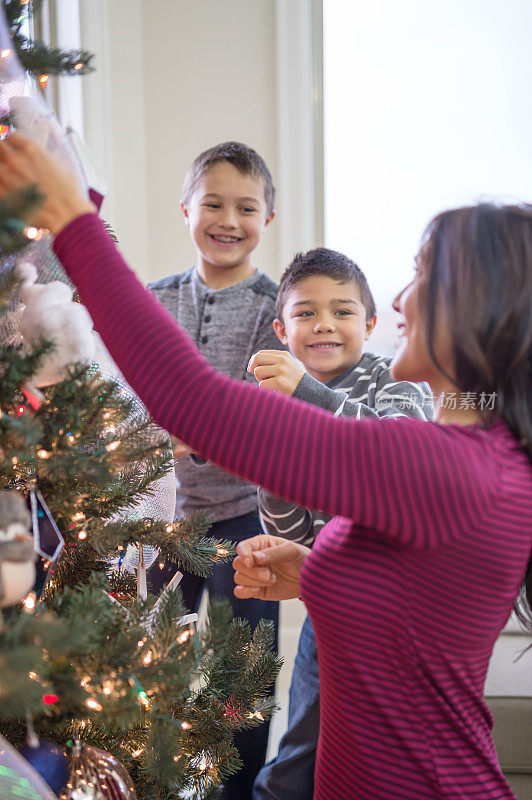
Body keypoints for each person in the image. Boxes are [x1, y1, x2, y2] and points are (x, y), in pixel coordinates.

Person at [0, 134, 531, 800]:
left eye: (421, 274)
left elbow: (195, 405)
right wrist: (319, 573)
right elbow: (421, 621)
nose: (399, 300)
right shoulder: (483, 462)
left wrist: (74, 220)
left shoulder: (446, 467)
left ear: (479, 306)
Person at [248, 247, 433, 800]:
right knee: (303, 745)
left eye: (343, 311)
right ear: (283, 330)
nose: (324, 323)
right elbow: (294, 535)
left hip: (401, 613)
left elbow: (399, 449)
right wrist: (276, 446)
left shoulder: (395, 380)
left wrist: (308, 396)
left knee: (392, 751)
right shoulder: (276, 401)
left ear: (371, 323)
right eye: (305, 313)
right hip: (328, 611)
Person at [147, 141, 283, 800]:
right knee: (147, 671)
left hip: (243, 518)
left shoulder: (273, 311)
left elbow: (259, 423)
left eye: (246, 207)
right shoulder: (154, 300)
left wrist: (185, 437)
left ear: (268, 218)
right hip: (158, 522)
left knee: (242, 685)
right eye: (213, 204)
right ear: (185, 210)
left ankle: (238, 792)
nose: (228, 219)